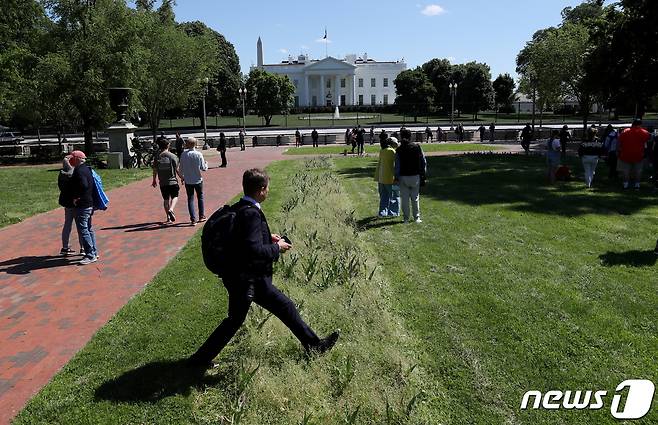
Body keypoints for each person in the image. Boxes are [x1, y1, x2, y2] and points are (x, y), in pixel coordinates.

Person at [188, 169, 339, 368]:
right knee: (239, 319)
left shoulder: (241, 207)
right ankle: (199, 360)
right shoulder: (251, 213)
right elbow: (253, 250)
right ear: (261, 190)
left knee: (279, 309)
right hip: (248, 279)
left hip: (243, 277)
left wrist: (269, 238)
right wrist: (277, 247)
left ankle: (314, 345)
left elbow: (241, 241)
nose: (268, 191)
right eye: (267, 187)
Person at [69, 150, 99, 265]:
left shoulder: (79, 171)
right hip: (89, 204)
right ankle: (94, 252)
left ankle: (90, 254)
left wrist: (77, 197)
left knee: (83, 230)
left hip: (82, 205)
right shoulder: (87, 169)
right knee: (89, 228)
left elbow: (83, 185)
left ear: (76, 159)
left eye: (72, 157)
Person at [395, 129, 427, 223]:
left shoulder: (399, 150)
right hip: (415, 175)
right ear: (410, 136)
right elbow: (423, 162)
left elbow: (397, 165)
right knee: (415, 198)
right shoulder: (417, 147)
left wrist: (396, 177)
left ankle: (406, 218)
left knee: (404, 199)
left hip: (403, 176)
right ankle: (416, 217)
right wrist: (423, 174)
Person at [179, 137, 209, 226]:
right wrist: (206, 164)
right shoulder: (198, 154)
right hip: (198, 179)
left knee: (190, 199)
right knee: (200, 197)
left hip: (188, 180)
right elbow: (203, 168)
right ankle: (201, 216)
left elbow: (181, 169)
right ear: (195, 144)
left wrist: (182, 177)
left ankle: (193, 219)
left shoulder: (183, 154)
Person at [152, 137, 182, 225]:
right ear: (168, 145)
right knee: (175, 196)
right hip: (172, 181)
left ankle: (168, 218)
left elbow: (155, 170)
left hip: (162, 182)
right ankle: (171, 209)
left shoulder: (157, 157)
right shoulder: (173, 156)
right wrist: (181, 177)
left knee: (165, 199)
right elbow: (177, 169)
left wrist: (154, 180)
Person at [58, 155, 82, 256]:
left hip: (66, 202)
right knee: (81, 225)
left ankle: (65, 247)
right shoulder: (74, 173)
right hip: (76, 202)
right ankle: (83, 247)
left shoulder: (61, 174)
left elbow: (60, 187)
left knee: (67, 224)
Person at [618, 118, 651, 190]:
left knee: (626, 170)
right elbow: (648, 140)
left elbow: (619, 141)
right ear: (640, 124)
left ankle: (625, 185)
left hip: (625, 154)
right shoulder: (644, 132)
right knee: (638, 170)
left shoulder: (624, 131)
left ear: (632, 124)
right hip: (639, 154)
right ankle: (637, 185)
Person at [374, 137, 400, 217]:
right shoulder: (392, 152)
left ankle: (382, 212)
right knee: (394, 196)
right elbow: (397, 164)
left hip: (381, 177)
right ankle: (393, 213)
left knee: (383, 197)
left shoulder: (382, 151)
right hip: (390, 178)